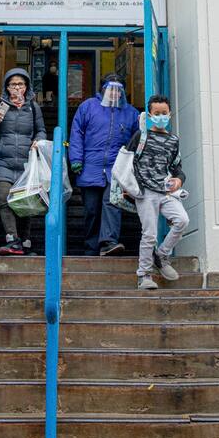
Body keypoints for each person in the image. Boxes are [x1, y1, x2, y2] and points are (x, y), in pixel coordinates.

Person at [68, 73, 140, 256]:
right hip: (90, 166)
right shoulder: (88, 107)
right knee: (91, 209)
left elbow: (138, 139)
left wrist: (132, 165)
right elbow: (77, 133)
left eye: (118, 89)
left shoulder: (131, 113)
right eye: (111, 88)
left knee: (112, 202)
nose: (114, 93)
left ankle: (108, 242)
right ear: (103, 89)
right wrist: (76, 159)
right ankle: (91, 247)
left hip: (116, 168)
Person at [128, 94, 189, 291]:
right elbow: (126, 161)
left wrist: (179, 180)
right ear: (150, 114)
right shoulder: (141, 137)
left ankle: (161, 256)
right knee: (150, 234)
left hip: (165, 191)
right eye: (157, 113)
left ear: (170, 114)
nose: (161, 116)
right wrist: (125, 188)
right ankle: (144, 275)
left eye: (164, 113)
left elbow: (177, 167)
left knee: (182, 220)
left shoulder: (173, 140)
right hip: (145, 191)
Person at [0, 68, 45, 255]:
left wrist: (38, 140)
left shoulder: (33, 107)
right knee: (4, 200)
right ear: (7, 87)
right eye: (13, 84)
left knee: (26, 202)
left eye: (21, 84)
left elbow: (41, 129)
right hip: (2, 162)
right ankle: (13, 239)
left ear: (26, 86)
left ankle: (26, 241)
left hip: (25, 164)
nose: (17, 88)